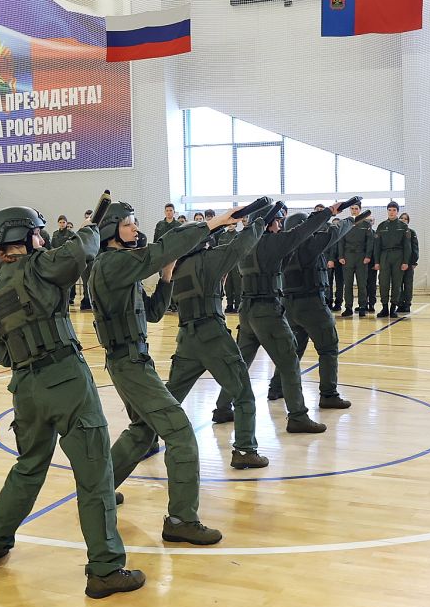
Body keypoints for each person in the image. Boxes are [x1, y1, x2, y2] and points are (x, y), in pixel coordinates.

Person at [0, 206, 144, 598]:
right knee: (95, 472)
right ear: (24, 237)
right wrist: (89, 227)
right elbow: (84, 248)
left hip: (25, 389)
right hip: (66, 380)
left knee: (29, 467)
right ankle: (105, 568)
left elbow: (2, 355)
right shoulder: (42, 267)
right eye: (37, 232)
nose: (42, 238)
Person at [89, 201, 229, 544]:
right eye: (128, 224)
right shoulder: (113, 263)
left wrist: (166, 275)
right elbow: (162, 247)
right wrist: (212, 225)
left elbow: (152, 313)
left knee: (142, 432)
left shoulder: (121, 265)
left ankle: (97, 491)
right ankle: (181, 519)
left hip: (133, 360)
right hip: (129, 363)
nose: (135, 229)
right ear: (110, 231)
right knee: (180, 433)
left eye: (135, 223)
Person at [166, 205, 271, 469]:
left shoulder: (177, 268)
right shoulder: (208, 260)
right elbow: (240, 247)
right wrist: (260, 222)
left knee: (169, 398)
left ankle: (142, 437)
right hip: (212, 336)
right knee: (243, 394)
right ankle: (245, 450)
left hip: (186, 338)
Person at [215, 203, 335, 434]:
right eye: (278, 221)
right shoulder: (271, 242)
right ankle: (298, 416)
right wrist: (329, 212)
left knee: (241, 363)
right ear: (268, 224)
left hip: (246, 311)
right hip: (267, 311)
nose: (280, 225)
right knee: (289, 363)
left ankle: (222, 408)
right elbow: (301, 232)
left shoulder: (244, 241)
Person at [268, 206, 351, 409]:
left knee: (292, 350)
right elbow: (334, 233)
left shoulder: (280, 246)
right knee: (328, 347)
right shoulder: (309, 245)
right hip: (312, 304)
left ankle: (276, 387)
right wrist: (351, 220)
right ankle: (328, 394)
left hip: (289, 306)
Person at [373, 201, 410, 317]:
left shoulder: (403, 227)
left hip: (398, 256)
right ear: (387, 211)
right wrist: (377, 261)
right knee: (383, 282)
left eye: (394, 210)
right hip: (384, 256)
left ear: (397, 212)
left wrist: (405, 261)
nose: (391, 212)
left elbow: (407, 246)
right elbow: (377, 246)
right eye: (389, 210)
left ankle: (393, 308)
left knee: (396, 283)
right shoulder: (381, 226)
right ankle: (384, 308)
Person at [338, 206, 374, 316]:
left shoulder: (366, 224)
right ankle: (348, 307)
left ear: (360, 209)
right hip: (348, 256)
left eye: (356, 208)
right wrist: (341, 256)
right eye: (352, 208)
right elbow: (341, 241)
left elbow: (370, 241)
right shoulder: (345, 223)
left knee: (362, 283)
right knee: (348, 284)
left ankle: (362, 306)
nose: (354, 210)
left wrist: (368, 256)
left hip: (361, 257)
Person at [49, 215, 78, 304]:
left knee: (70, 279)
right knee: (59, 279)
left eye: (63, 222)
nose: (62, 224)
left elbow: (74, 246)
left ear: (66, 223)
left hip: (68, 259)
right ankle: (60, 296)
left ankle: (71, 297)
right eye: (60, 222)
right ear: (58, 223)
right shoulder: (55, 234)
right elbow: (52, 246)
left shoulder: (71, 234)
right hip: (57, 259)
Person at [398, 213, 419, 313]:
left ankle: (407, 304)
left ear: (408, 221)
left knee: (408, 284)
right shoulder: (396, 232)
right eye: (401, 218)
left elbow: (415, 248)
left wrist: (414, 262)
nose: (403, 220)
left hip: (409, 263)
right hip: (397, 262)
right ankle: (399, 304)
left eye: (405, 219)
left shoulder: (411, 232)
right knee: (398, 285)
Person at [325, 217, 344, 311]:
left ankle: (338, 303)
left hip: (340, 262)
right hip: (329, 260)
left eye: (338, 224)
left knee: (340, 283)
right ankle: (329, 302)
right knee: (328, 282)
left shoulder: (343, 234)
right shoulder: (329, 235)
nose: (336, 225)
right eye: (334, 224)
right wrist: (330, 259)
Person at [78, 209, 95, 310]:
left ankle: (93, 300)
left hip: (94, 260)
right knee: (85, 282)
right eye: (86, 217)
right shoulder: (82, 231)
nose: (87, 219)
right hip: (84, 260)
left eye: (89, 217)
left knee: (93, 282)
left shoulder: (97, 231)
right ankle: (87, 299)